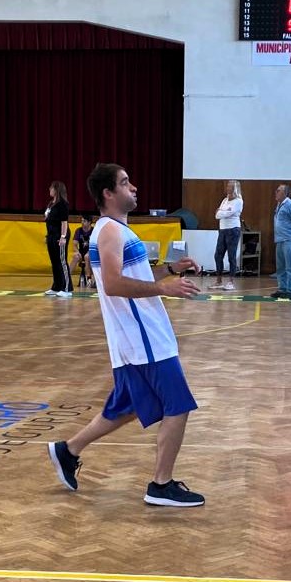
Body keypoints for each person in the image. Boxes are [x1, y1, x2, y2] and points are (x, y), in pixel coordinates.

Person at [47, 162, 204, 507]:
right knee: (178, 405)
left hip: (135, 340)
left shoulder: (117, 230)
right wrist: (164, 288)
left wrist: (169, 270)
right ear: (108, 193)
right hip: (143, 339)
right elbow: (114, 283)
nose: (133, 187)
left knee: (128, 406)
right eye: (125, 182)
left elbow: (135, 275)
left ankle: (68, 450)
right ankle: (160, 485)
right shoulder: (109, 232)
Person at [212, 181, 244, 291]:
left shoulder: (238, 201)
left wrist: (222, 212)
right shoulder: (225, 200)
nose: (228, 188)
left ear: (235, 188)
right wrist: (223, 212)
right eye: (228, 186)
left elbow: (226, 213)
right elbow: (217, 215)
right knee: (218, 255)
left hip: (233, 230)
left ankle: (231, 282)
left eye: (230, 186)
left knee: (231, 256)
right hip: (222, 230)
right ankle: (219, 281)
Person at [44, 181, 73, 297]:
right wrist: (48, 236)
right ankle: (56, 287)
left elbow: (64, 222)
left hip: (60, 235)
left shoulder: (62, 204)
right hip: (51, 235)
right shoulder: (51, 204)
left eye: (51, 188)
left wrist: (63, 237)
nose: (49, 189)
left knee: (62, 261)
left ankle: (67, 289)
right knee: (54, 262)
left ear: (57, 190)